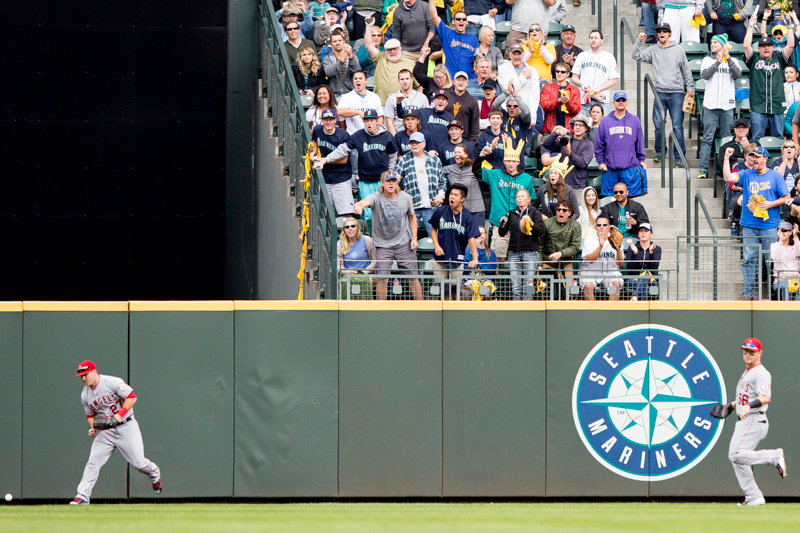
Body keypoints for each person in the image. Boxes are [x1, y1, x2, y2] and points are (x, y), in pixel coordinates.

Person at [70, 361, 161, 505]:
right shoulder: (85, 395)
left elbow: (132, 397)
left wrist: (119, 415)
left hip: (126, 426)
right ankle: (82, 496)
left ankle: (154, 473)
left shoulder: (111, 382)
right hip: (106, 432)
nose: (83, 378)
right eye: (81, 376)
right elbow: (90, 416)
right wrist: (93, 427)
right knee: (93, 461)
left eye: (85, 374)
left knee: (138, 463)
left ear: (94, 371)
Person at [723, 145, 791, 299]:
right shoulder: (747, 174)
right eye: (753, 156)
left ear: (765, 159)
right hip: (749, 224)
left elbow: (787, 198)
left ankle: (774, 291)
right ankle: (748, 291)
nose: (754, 159)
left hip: (769, 225)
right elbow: (728, 178)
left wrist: (770, 204)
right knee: (749, 258)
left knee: (772, 259)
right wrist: (727, 157)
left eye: (757, 157)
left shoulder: (775, 176)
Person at [726, 338, 787, 506]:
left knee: (735, 454)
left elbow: (765, 397)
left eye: (751, 352)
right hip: (747, 419)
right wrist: (731, 406)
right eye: (745, 351)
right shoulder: (749, 371)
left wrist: (747, 406)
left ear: (759, 353)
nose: (747, 354)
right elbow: (747, 396)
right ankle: (754, 496)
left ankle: (773, 456)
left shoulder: (760, 372)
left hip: (754, 418)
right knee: (738, 459)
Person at [315, 109, 398, 220]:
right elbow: (342, 149)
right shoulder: (358, 136)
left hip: (382, 180)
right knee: (368, 214)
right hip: (365, 181)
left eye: (372, 120)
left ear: (377, 121)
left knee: (385, 211)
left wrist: (390, 173)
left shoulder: (387, 136)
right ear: (363, 122)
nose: (369, 123)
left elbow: (393, 156)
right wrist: (326, 160)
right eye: (366, 120)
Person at [354, 171, 424, 300]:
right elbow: (363, 202)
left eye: (393, 180)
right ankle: (382, 310)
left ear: (397, 182)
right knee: (383, 279)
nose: (391, 183)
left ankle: (422, 308)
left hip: (403, 243)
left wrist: (414, 238)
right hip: (382, 245)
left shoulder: (406, 197)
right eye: (388, 181)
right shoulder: (376, 197)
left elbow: (412, 217)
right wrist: (358, 206)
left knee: (413, 278)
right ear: (382, 183)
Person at [632, 23, 694, 167]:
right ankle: (660, 152)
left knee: (677, 127)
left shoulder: (678, 49)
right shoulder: (653, 49)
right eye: (659, 31)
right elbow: (635, 55)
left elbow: (686, 70)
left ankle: (680, 157)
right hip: (660, 92)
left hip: (677, 93)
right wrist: (638, 41)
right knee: (659, 125)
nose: (662, 33)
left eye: (665, 31)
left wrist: (690, 87)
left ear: (670, 33)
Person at [473, 135, 536, 261]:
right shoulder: (495, 174)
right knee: (498, 258)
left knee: (519, 260)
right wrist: (481, 156)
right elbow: (476, 171)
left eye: (513, 161)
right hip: (499, 223)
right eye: (508, 161)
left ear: (518, 162)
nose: (511, 164)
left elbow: (532, 200)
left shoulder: (526, 178)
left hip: (520, 225)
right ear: (504, 161)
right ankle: (497, 281)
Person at [744, 10, 796, 139]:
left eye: (769, 46)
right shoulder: (754, 59)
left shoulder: (779, 59)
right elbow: (746, 45)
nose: (766, 48)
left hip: (777, 105)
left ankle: (778, 160)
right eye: (763, 46)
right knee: (757, 138)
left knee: (778, 138)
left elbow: (790, 45)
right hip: (758, 105)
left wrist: (789, 27)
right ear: (759, 48)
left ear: (773, 48)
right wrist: (751, 26)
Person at [697, 33, 742, 179]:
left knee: (726, 139)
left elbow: (737, 75)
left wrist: (727, 58)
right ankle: (703, 169)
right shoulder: (706, 60)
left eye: (716, 42)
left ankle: (723, 171)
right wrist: (717, 61)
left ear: (723, 45)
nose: (713, 45)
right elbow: (705, 75)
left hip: (727, 105)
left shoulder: (733, 60)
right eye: (712, 42)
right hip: (710, 104)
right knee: (707, 138)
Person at [430, 184, 481, 295]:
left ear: (462, 199)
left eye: (455, 195)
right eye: (451, 194)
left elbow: (471, 238)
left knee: (455, 290)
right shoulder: (441, 211)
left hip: (457, 259)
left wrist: (475, 258)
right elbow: (433, 229)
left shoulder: (467, 216)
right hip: (440, 258)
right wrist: (436, 246)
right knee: (439, 289)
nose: (451, 197)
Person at [595, 91, 648, 198]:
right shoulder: (605, 121)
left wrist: (641, 160)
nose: (620, 102)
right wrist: (600, 161)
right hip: (610, 168)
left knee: (629, 201)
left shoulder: (634, 120)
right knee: (610, 202)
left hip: (629, 168)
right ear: (613, 102)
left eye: (623, 100)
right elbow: (599, 145)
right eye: (618, 100)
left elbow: (640, 143)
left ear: (627, 102)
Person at [394, 131, 447, 235]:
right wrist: (395, 179)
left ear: (424, 144)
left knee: (436, 239)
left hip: (432, 206)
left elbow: (443, 181)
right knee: (408, 238)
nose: (414, 145)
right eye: (412, 142)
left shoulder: (434, 159)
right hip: (411, 206)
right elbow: (395, 178)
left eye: (417, 142)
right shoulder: (404, 159)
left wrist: (441, 195)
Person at [498, 188, 545, 300]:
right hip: (513, 253)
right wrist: (502, 225)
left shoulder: (535, 212)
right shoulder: (511, 213)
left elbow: (541, 231)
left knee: (528, 286)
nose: (520, 199)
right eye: (518, 197)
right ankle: (517, 313)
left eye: (522, 196)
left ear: (528, 199)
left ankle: (527, 313)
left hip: (530, 253)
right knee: (516, 287)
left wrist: (532, 223)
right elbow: (502, 233)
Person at [312, 109, 354, 216]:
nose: (328, 122)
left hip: (341, 179)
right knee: (330, 215)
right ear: (321, 120)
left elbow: (344, 160)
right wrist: (314, 151)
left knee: (346, 214)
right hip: (326, 178)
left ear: (335, 120)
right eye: (325, 119)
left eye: (331, 119)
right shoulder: (317, 130)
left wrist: (323, 160)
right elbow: (315, 139)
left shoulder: (343, 135)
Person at [364, 24, 421, 104]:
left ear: (400, 49)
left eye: (395, 48)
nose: (392, 51)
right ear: (385, 51)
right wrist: (368, 27)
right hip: (381, 104)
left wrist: (417, 102)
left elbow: (418, 85)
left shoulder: (410, 63)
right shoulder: (380, 58)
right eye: (389, 49)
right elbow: (368, 46)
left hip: (404, 104)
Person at [572, 30, 619, 116]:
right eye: (591, 38)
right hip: (584, 101)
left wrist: (598, 89)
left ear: (602, 41)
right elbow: (574, 77)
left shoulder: (609, 57)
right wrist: (581, 84)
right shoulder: (582, 55)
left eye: (596, 38)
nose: (593, 40)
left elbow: (613, 80)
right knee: (582, 127)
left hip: (601, 100)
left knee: (601, 128)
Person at [540, 117, 595, 189]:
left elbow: (582, 164)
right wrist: (557, 133)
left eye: (581, 125)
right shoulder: (565, 140)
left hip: (577, 186)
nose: (578, 127)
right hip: (561, 184)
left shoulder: (588, 144)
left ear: (586, 128)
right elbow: (546, 144)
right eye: (576, 125)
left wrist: (569, 152)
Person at [539, 199, 582, 288]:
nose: (561, 212)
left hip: (566, 262)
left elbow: (575, 247)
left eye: (564, 210)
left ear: (569, 213)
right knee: (545, 290)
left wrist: (560, 253)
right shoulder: (546, 223)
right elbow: (540, 246)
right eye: (558, 210)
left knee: (568, 290)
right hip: (548, 261)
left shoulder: (575, 225)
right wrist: (539, 265)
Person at [429, 4, 480, 79]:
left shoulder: (473, 39)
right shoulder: (447, 34)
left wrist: (478, 56)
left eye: (464, 19)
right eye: (458, 19)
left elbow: (478, 57)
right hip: (451, 79)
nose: (461, 21)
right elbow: (434, 16)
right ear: (453, 22)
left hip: (469, 80)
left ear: (467, 22)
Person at [580, 214, 624, 300]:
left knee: (615, 285)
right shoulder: (589, 239)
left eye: (604, 225)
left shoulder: (615, 239)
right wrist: (600, 246)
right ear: (595, 227)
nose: (601, 227)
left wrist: (618, 249)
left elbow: (620, 264)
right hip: (590, 271)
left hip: (610, 272)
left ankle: (611, 313)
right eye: (599, 225)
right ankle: (593, 313)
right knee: (588, 287)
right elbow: (590, 260)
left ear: (609, 227)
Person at [498, 43, 541, 124]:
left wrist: (532, 117)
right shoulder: (502, 68)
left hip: (525, 114)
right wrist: (524, 77)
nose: (516, 57)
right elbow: (509, 89)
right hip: (508, 113)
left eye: (519, 54)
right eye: (514, 54)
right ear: (509, 55)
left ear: (523, 55)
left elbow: (534, 96)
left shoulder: (533, 71)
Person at [443, 144, 486, 225]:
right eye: (455, 152)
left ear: (466, 154)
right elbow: (435, 171)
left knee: (477, 236)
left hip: (476, 210)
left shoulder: (475, 168)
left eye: (459, 152)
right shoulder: (449, 169)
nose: (456, 154)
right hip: (458, 211)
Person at [337, 217, 377, 299]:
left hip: (366, 273)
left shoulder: (367, 240)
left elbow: (375, 260)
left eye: (353, 226)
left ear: (357, 228)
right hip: (349, 274)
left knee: (367, 281)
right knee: (347, 282)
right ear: (344, 230)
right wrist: (348, 272)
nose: (350, 229)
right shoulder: (340, 244)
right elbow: (338, 266)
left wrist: (364, 272)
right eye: (347, 227)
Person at [540, 62, 582, 134]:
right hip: (550, 130)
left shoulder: (575, 90)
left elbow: (576, 110)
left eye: (562, 72)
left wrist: (569, 103)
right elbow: (544, 106)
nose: (559, 74)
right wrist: (558, 101)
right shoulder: (547, 88)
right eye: (557, 71)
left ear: (568, 74)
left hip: (569, 130)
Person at [534, 155, 580, 220]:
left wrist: (567, 221)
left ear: (560, 177)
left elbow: (576, 213)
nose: (552, 175)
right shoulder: (543, 189)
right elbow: (533, 207)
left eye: (555, 173)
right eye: (551, 173)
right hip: (547, 225)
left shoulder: (569, 191)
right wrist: (540, 215)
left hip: (563, 226)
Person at [624, 223, 662, 300]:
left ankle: (635, 297)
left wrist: (651, 252)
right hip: (633, 279)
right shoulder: (632, 247)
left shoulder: (657, 249)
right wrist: (635, 253)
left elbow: (654, 268)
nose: (643, 233)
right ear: (638, 234)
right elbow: (630, 268)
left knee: (647, 276)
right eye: (641, 231)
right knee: (646, 286)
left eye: (646, 231)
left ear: (651, 234)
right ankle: (643, 310)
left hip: (651, 280)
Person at [384, 70, 428, 135]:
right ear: (399, 81)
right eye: (402, 79)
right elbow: (389, 122)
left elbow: (425, 119)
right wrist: (395, 139)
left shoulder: (422, 97)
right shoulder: (391, 98)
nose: (405, 81)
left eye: (407, 79)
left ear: (412, 80)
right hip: (399, 134)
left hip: (417, 135)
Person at [443, 71, 481, 143]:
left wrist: (471, 144)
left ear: (467, 83)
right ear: (454, 82)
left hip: (464, 139)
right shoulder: (446, 96)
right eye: (458, 80)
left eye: (463, 80)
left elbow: (475, 125)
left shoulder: (472, 100)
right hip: (445, 138)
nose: (461, 82)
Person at [323, 32, 362, 96]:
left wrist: (351, 56)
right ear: (330, 44)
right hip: (334, 94)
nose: (338, 43)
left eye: (340, 40)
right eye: (335, 41)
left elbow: (357, 72)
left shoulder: (353, 56)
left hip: (350, 92)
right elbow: (329, 72)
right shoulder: (327, 58)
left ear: (344, 42)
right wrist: (342, 59)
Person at [770, 220, 800, 299]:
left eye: (784, 230)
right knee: (787, 286)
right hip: (781, 280)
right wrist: (780, 240)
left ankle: (796, 310)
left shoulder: (795, 244)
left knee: (798, 287)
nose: (782, 233)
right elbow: (776, 257)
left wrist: (796, 236)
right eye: (779, 230)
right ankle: (787, 309)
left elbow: (799, 253)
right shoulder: (774, 245)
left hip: (796, 279)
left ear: (790, 232)